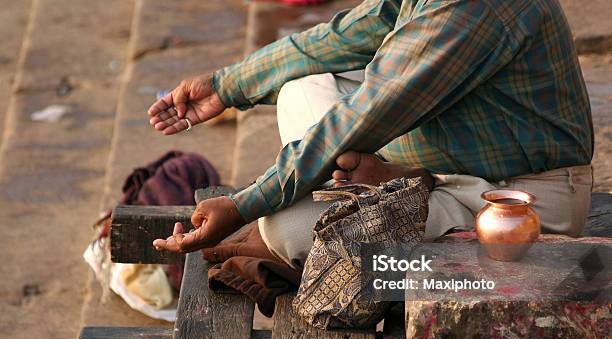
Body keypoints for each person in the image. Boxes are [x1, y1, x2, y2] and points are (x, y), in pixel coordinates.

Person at [149, 0, 593, 268]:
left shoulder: (471, 8)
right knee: (302, 87)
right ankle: (391, 183)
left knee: (287, 227)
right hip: (447, 164)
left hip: (514, 204)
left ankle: (393, 189)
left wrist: (244, 204)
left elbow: (360, 116)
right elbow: (352, 34)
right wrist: (228, 86)